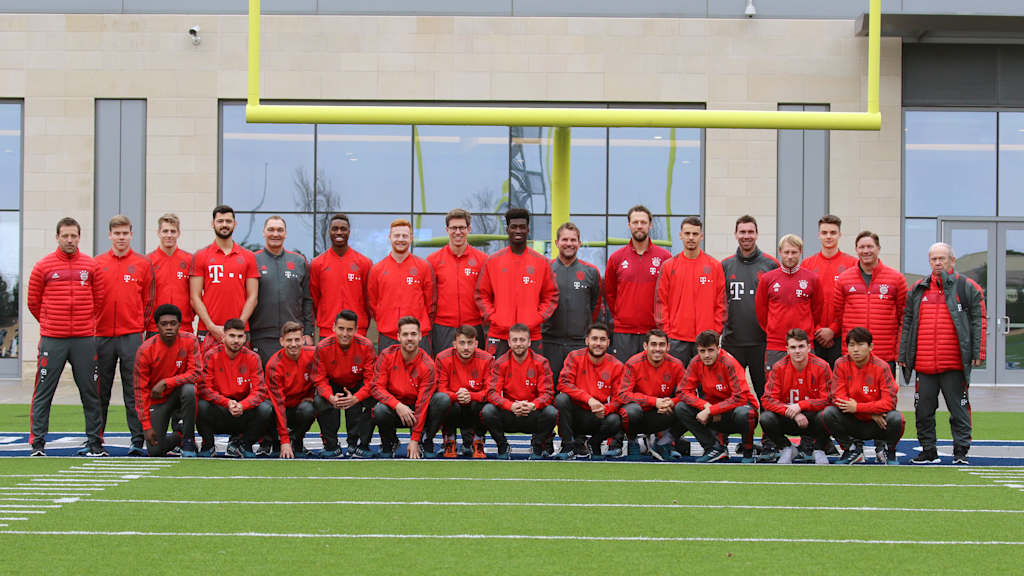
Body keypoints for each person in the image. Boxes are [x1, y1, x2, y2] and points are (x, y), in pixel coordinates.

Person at [27, 217, 107, 457]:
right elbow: (33, 302)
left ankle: (95, 442)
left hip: (84, 339)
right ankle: (38, 443)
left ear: (79, 237)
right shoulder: (43, 266)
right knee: (43, 391)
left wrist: (85, 324)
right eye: (65, 236)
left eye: (74, 236)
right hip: (53, 339)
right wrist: (51, 322)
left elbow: (100, 301)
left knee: (91, 392)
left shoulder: (90, 266)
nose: (70, 240)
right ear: (57, 237)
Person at [898, 242, 985, 465]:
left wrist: (978, 350)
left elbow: (979, 321)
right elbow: (907, 322)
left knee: (959, 411)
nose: (937, 263)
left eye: (942, 258)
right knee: (923, 411)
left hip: (954, 364)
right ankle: (928, 450)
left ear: (952, 261)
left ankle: (961, 452)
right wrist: (904, 353)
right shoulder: (918, 288)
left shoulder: (968, 287)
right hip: (925, 366)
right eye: (933, 259)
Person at [94, 214, 155, 455]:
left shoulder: (142, 264)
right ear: (109, 235)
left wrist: (140, 324)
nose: (121, 237)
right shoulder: (97, 263)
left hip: (131, 336)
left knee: (134, 390)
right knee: (100, 391)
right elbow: (91, 299)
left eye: (125, 233)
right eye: (116, 233)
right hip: (102, 336)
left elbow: (149, 300)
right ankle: (95, 439)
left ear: (131, 234)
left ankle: (137, 440)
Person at [476, 208, 559, 358]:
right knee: (495, 379)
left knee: (531, 380)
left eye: (522, 227)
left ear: (528, 229)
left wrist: (536, 318)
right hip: (499, 335)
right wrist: (495, 318)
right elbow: (482, 295)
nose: (518, 230)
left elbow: (551, 295)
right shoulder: (493, 261)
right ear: (507, 229)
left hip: (530, 336)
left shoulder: (541, 262)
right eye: (514, 227)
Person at [674, 330, 759, 463]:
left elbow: (740, 398)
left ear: (718, 349)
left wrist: (711, 410)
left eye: (710, 350)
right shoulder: (696, 362)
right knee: (681, 408)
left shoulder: (729, 363)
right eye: (702, 351)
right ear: (698, 350)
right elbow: (682, 392)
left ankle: (748, 451)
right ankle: (713, 448)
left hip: (736, 412)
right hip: (713, 412)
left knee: (745, 413)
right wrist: (704, 406)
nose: (706, 355)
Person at [824, 327, 904, 465]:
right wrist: (869, 413)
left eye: (860, 345)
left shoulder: (882, 367)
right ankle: (852, 450)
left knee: (897, 418)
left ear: (870, 347)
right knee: (829, 413)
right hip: (855, 419)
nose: (855, 349)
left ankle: (888, 451)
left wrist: (859, 407)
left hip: (877, 423)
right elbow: (837, 397)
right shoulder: (841, 364)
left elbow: (890, 402)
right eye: (851, 345)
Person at [832, 231, 906, 376]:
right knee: (852, 397)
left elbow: (903, 318)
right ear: (856, 250)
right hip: (854, 355)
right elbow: (839, 314)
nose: (866, 251)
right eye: (861, 247)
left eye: (870, 247)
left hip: (884, 355)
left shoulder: (896, 279)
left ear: (878, 248)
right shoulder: (843, 279)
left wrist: (898, 350)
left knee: (885, 397)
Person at [196, 318, 272, 458]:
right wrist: (227, 402)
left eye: (239, 336)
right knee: (200, 405)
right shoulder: (211, 355)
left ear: (245, 338)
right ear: (223, 337)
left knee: (266, 408)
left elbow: (260, 391)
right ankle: (208, 444)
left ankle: (244, 444)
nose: (236, 340)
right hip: (220, 409)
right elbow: (204, 388)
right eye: (232, 336)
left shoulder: (253, 358)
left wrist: (243, 405)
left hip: (242, 411)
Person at [604, 205, 672, 362]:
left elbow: (670, 294)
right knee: (624, 377)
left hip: (654, 332)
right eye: (635, 222)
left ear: (650, 225)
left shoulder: (664, 258)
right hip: (624, 331)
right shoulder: (616, 258)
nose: (639, 226)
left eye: (643, 222)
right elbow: (610, 293)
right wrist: (623, 316)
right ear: (629, 225)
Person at [721, 214, 778, 398]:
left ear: (757, 234)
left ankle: (768, 427)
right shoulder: (725, 266)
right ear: (735, 234)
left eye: (750, 232)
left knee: (765, 393)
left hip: (761, 343)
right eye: (742, 232)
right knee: (731, 393)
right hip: (732, 342)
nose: (747, 236)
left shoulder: (770, 264)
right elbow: (719, 302)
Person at [133, 304, 201, 457]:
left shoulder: (190, 340)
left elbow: (196, 373)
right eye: (164, 324)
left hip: (179, 394)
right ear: (157, 326)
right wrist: (146, 426)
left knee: (190, 389)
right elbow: (140, 390)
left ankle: (188, 441)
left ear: (179, 325)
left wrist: (166, 382)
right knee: (155, 451)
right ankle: (180, 436)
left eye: (173, 323)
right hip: (158, 401)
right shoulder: (145, 350)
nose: (169, 327)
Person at [655, 216, 725, 365]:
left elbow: (721, 304)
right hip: (676, 339)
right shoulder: (669, 266)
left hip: (706, 340)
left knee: (706, 386)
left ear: (701, 236)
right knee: (677, 385)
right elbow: (661, 303)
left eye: (695, 234)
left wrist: (714, 334)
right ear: (680, 235)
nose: (691, 238)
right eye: (687, 234)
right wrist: (668, 334)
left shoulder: (714, 266)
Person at [481, 323, 557, 459]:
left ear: (529, 342)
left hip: (532, 413)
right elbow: (492, 393)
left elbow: (548, 393)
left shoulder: (541, 362)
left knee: (552, 412)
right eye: (515, 340)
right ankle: (502, 445)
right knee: (487, 411)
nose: (518, 344)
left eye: (522, 340)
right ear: (509, 342)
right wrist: (510, 406)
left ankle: (538, 444)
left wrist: (533, 405)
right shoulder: (500, 363)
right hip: (510, 413)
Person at [189, 205, 260, 348]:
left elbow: (253, 297)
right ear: (212, 224)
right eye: (220, 221)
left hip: (240, 332)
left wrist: (237, 328)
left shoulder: (248, 256)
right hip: (208, 329)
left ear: (235, 224)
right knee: (206, 370)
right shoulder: (201, 256)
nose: (224, 225)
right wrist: (211, 326)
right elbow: (194, 297)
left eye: (228, 221)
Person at [759, 329, 832, 465]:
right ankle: (786, 448)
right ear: (787, 349)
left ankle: (819, 449)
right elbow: (767, 400)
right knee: (766, 418)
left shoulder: (822, 366)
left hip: (812, 418)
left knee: (829, 414)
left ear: (809, 348)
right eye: (793, 347)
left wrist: (801, 406)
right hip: (788, 417)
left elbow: (828, 399)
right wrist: (792, 413)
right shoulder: (779, 367)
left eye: (801, 346)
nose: (797, 351)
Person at [369, 316, 439, 459]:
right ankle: (389, 442)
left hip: (418, 411)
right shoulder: (386, 355)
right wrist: (397, 405)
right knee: (379, 409)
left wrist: (414, 439)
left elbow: (422, 404)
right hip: (395, 409)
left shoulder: (428, 365)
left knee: (441, 400)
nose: (409, 338)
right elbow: (376, 388)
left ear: (420, 336)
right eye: (405, 334)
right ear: (398, 337)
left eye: (413, 334)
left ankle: (424, 440)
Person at [312, 310, 377, 459]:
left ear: (355, 329)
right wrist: (330, 397)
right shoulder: (322, 347)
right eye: (341, 328)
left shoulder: (366, 346)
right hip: (333, 385)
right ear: (334, 327)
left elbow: (371, 381)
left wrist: (356, 398)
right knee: (319, 400)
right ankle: (331, 445)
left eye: (349, 329)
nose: (345, 333)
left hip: (357, 384)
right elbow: (319, 380)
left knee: (373, 398)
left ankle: (360, 444)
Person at [755, 234, 824, 375]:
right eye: (786, 252)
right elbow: (761, 311)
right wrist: (773, 330)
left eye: (794, 252)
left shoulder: (812, 279)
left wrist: (807, 330)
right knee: (775, 387)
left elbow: (817, 310)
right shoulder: (767, 279)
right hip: (776, 344)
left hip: (804, 344)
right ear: (780, 252)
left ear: (800, 252)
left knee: (806, 387)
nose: (790, 256)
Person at [554, 323, 623, 460]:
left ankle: (594, 443)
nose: (598, 343)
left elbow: (619, 397)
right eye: (594, 339)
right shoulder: (574, 357)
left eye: (602, 339)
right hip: (576, 414)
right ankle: (568, 445)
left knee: (616, 419)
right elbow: (563, 383)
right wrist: (589, 399)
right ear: (587, 341)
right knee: (561, 400)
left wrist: (606, 409)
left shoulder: (616, 365)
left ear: (608, 343)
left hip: (597, 416)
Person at [251, 215, 314, 365]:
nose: (275, 234)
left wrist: (307, 332)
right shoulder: (253, 260)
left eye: (280, 230)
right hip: (261, 336)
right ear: (263, 232)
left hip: (293, 337)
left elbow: (307, 300)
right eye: (271, 230)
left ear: (285, 234)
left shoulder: (298, 261)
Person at [543, 221, 602, 378]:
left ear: (579, 243)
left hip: (579, 344)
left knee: (579, 392)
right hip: (550, 343)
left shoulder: (591, 272)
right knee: (550, 392)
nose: (569, 244)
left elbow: (595, 306)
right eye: (565, 240)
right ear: (556, 243)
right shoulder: (545, 269)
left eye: (573, 240)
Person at [618, 329, 688, 460]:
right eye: (653, 344)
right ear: (645, 346)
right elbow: (623, 395)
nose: (657, 349)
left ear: (668, 347)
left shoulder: (676, 365)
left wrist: (672, 402)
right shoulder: (633, 363)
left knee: (690, 408)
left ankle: (665, 442)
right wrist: (654, 401)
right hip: (640, 414)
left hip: (663, 413)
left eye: (661, 345)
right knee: (631, 411)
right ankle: (633, 442)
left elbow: (687, 393)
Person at [368, 218, 435, 351]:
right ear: (389, 237)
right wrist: (386, 321)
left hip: (417, 337)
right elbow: (372, 304)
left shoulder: (423, 267)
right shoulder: (377, 269)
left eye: (405, 236)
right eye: (396, 235)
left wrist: (419, 326)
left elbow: (431, 304)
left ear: (411, 238)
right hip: (388, 336)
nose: (401, 239)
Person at [427, 208, 488, 353]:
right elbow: (428, 297)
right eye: (454, 228)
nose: (458, 232)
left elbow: (487, 294)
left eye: (462, 227)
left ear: (469, 229)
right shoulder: (433, 260)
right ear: (447, 230)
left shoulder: (482, 260)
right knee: (443, 370)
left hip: (474, 326)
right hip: (443, 327)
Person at [801, 214, 858, 367]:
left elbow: (852, 303)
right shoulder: (807, 264)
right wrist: (818, 329)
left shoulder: (852, 264)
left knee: (838, 383)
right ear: (818, 235)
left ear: (840, 234)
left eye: (833, 232)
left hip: (841, 336)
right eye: (824, 233)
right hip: (814, 335)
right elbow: (804, 302)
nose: (828, 236)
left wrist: (833, 329)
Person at [430, 325, 493, 458]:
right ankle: (449, 440)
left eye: (470, 343)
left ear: (476, 343)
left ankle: (478, 441)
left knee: (488, 405)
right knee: (443, 400)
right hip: (454, 406)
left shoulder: (487, 359)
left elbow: (491, 391)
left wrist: (471, 396)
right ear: (454, 344)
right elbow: (441, 389)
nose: (466, 347)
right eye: (462, 343)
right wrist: (457, 396)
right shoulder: (443, 358)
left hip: (474, 407)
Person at [309, 213, 372, 338]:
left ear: (349, 232)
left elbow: (368, 298)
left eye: (343, 229)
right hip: (328, 330)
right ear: (329, 232)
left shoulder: (364, 263)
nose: (339, 232)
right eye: (335, 229)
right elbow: (314, 298)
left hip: (357, 330)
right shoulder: (317, 264)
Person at [264, 321, 318, 459]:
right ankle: (272, 440)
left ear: (303, 340)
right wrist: (284, 441)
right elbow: (278, 403)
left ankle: (297, 439)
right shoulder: (274, 365)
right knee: (264, 409)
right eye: (289, 340)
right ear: (281, 341)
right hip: (278, 409)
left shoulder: (313, 355)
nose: (293, 344)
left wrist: (312, 396)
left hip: (298, 407)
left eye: (297, 340)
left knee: (312, 407)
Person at [147, 213, 194, 335]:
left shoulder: (190, 260)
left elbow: (196, 294)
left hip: (183, 326)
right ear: (158, 232)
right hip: (155, 327)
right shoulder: (148, 261)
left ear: (178, 233)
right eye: (165, 231)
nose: (169, 235)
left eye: (173, 231)